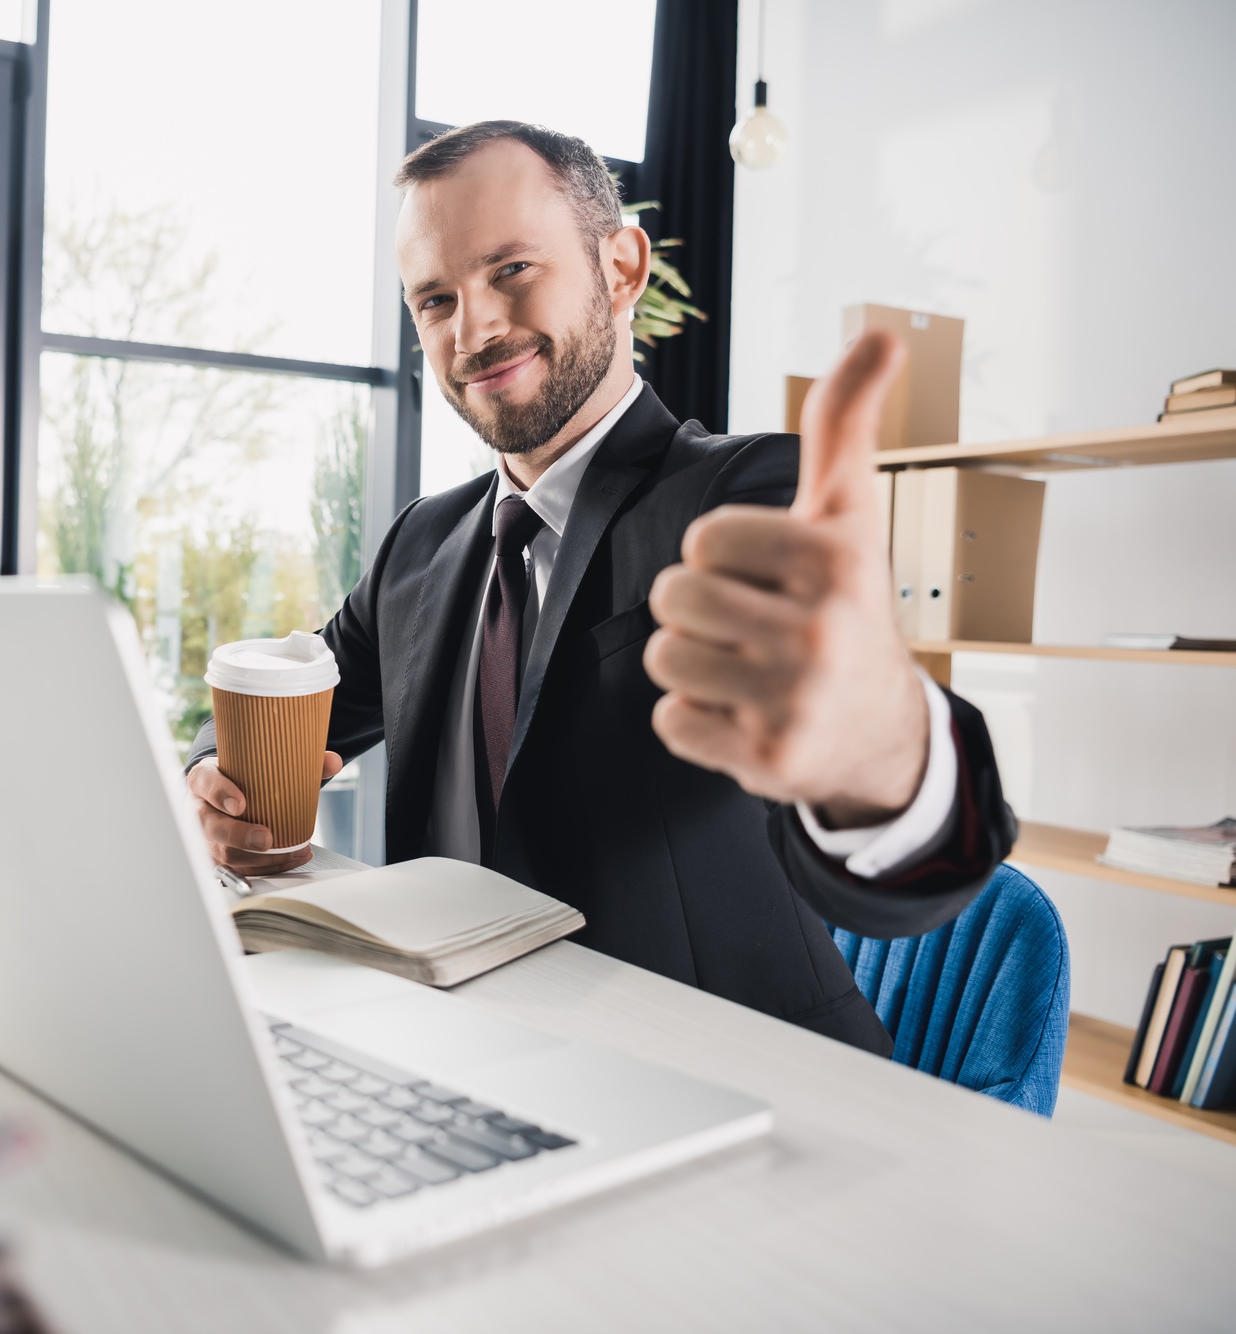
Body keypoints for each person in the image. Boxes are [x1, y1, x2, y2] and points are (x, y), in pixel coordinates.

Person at [185, 120, 1016, 1054]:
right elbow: (293, 689)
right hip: (454, 1055)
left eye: (511, 270)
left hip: (729, 1078)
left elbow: (910, 844)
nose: (475, 330)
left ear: (621, 269)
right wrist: (213, 783)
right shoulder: (421, 544)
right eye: (435, 299)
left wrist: (881, 756)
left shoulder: (742, 499)